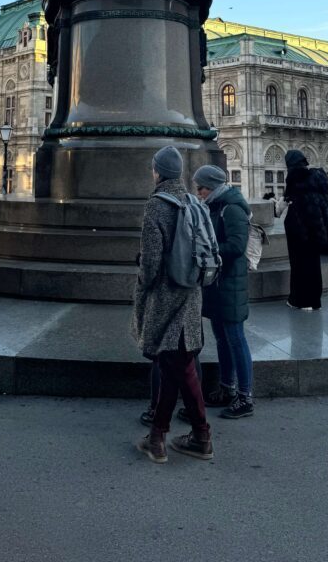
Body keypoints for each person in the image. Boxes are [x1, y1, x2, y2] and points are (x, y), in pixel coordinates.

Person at [131, 146, 212, 464]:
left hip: (166, 295)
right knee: (176, 364)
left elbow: (150, 260)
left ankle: (196, 435)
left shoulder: (157, 205)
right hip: (191, 292)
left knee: (179, 366)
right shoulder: (193, 200)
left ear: (158, 171)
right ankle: (164, 437)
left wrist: (143, 286)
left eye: (154, 169)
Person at [193, 164, 254, 418]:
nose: (199, 193)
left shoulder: (232, 208)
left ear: (212, 187)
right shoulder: (214, 206)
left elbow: (237, 246)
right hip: (217, 283)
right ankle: (227, 388)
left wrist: (208, 248)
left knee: (236, 339)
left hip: (231, 283)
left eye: (202, 188)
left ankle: (245, 396)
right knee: (222, 338)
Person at [283, 150, 328, 310]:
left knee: (299, 267)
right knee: (314, 266)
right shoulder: (318, 178)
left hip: (300, 229)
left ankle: (299, 300)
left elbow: (290, 200)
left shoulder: (296, 178)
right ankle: (315, 301)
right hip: (317, 228)